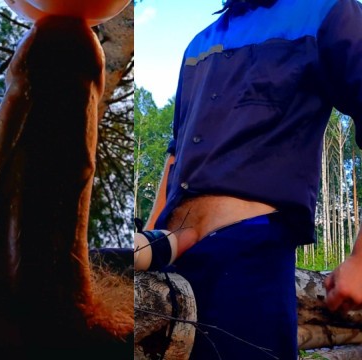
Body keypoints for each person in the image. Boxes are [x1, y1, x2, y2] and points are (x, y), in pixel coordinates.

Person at [144, 0, 362, 358]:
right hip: (171, 256)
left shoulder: (324, 10)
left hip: (252, 255)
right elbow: (175, 154)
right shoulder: (199, 43)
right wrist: (151, 241)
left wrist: (361, 258)